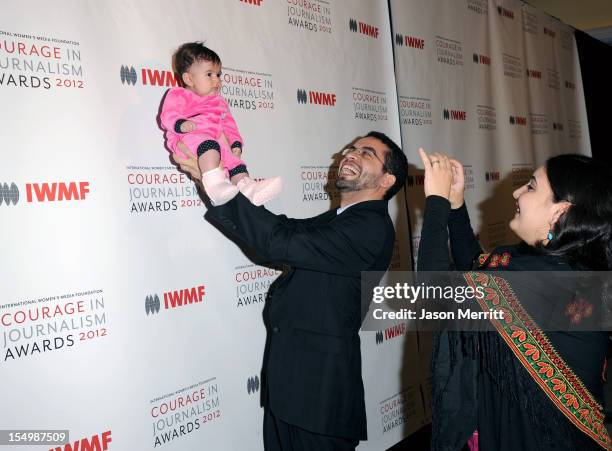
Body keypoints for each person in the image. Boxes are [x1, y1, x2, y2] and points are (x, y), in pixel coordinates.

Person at [175, 131, 408, 450]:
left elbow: (278, 242)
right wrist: (209, 178)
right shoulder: (339, 219)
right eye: (350, 148)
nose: (351, 154)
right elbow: (279, 235)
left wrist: (217, 183)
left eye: (367, 153)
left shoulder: (370, 228)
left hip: (319, 401)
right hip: (292, 392)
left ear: (387, 179)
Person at [416, 148, 612, 450]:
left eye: (531, 186)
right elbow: (478, 266)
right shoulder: (559, 266)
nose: (517, 193)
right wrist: (456, 207)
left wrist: (437, 202)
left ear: (559, 212)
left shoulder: (547, 283)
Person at [159, 42, 282, 206]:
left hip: (216, 140)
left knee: (233, 160)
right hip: (188, 137)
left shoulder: (219, 102)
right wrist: (181, 124)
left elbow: (229, 125)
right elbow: (168, 115)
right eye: (209, 74)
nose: (216, 80)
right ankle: (215, 185)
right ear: (189, 78)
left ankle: (248, 187)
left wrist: (235, 142)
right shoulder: (178, 94)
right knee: (209, 145)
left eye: (218, 74)